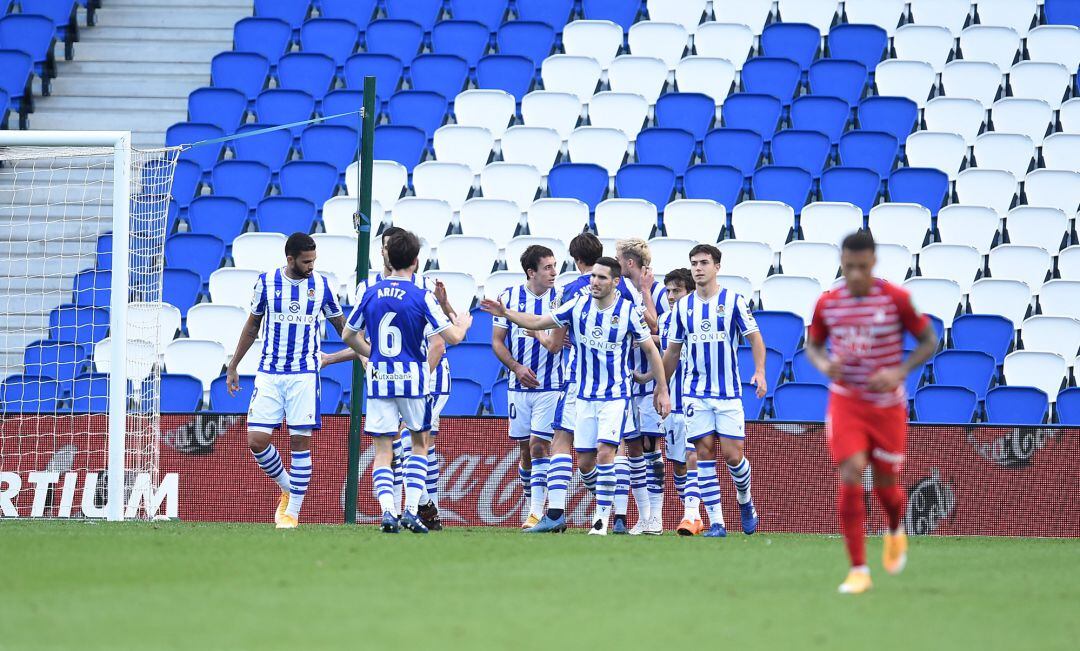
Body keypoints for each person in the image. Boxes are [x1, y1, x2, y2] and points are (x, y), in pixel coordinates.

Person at [482, 257, 671, 535]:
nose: (595, 281)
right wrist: (506, 313)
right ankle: (608, 506)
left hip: (614, 397)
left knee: (607, 452)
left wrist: (662, 389)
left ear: (615, 282)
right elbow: (537, 320)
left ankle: (601, 522)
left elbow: (651, 350)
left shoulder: (628, 312)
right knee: (584, 462)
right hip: (581, 396)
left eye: (602, 278)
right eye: (593, 276)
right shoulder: (578, 305)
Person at [805, 231, 937, 594]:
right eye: (849, 268)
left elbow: (929, 340)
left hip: (887, 405)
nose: (856, 275)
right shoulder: (829, 303)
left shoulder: (896, 300)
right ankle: (858, 569)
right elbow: (812, 346)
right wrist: (824, 363)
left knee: (887, 488)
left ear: (873, 262)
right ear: (842, 264)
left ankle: (895, 528)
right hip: (846, 401)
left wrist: (899, 371)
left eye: (862, 267)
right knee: (850, 472)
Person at [322, 227, 456, 530]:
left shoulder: (375, 290)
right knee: (410, 446)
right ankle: (413, 508)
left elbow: (355, 336)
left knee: (408, 446)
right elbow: (449, 335)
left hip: (406, 376)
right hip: (410, 377)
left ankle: (412, 509)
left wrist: (374, 361)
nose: (385, 250)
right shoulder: (409, 290)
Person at [226, 233, 345, 529]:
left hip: (304, 375)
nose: (311, 267)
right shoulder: (266, 282)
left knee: (300, 443)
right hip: (269, 372)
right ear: (290, 259)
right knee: (256, 441)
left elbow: (344, 327)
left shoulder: (321, 286)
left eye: (314, 261)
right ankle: (289, 487)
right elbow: (253, 325)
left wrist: (365, 351)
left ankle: (291, 512)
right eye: (306, 262)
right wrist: (234, 365)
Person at [661, 244, 767, 538]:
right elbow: (672, 352)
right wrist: (661, 386)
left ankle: (745, 502)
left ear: (716, 267)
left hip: (728, 392)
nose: (698, 268)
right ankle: (717, 522)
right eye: (694, 263)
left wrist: (759, 372)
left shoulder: (733, 300)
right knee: (703, 453)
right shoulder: (683, 307)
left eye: (704, 262)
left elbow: (756, 339)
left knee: (734, 457)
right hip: (694, 393)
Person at [491, 245, 565, 527]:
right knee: (525, 451)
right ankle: (531, 503)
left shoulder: (560, 297)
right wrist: (517, 368)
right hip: (518, 386)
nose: (553, 272)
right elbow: (497, 341)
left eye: (554, 266)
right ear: (531, 272)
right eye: (547, 267)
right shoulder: (508, 297)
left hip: (551, 385)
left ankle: (536, 513)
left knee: (538, 447)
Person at [638, 267, 705, 535]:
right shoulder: (666, 322)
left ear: (689, 291)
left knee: (692, 457)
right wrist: (646, 378)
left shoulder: (701, 319)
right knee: (677, 465)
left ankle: (691, 516)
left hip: (696, 401)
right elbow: (664, 358)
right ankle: (692, 512)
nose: (671, 296)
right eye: (667, 291)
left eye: (676, 290)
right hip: (670, 406)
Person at [613, 238, 668, 534]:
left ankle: (656, 517)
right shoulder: (619, 291)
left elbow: (660, 329)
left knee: (651, 446)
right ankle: (644, 516)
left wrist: (644, 292)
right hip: (628, 384)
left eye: (618, 259)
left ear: (629, 263)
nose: (616, 263)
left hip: (650, 383)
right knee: (635, 447)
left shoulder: (656, 290)